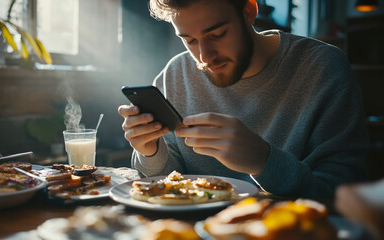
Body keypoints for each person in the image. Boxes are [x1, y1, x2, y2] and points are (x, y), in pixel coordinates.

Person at [118, 0, 369, 198]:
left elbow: (345, 192)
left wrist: (263, 160)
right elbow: (163, 185)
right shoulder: (175, 74)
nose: (205, 57)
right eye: (189, 40)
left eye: (216, 34)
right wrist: (149, 152)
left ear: (249, 11)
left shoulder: (322, 68)